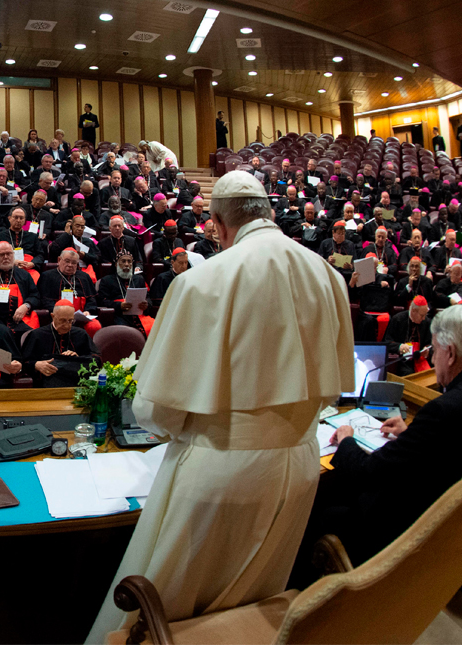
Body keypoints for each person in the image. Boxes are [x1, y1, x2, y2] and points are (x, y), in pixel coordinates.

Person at [87, 170, 353, 637]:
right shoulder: (328, 274)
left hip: (223, 470)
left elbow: (154, 409)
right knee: (259, 599)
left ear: (217, 223)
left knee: (170, 610)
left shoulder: (201, 281)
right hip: (301, 464)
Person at [293, 306, 462, 587]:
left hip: (394, 520)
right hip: (432, 503)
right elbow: (439, 445)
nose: (433, 358)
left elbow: (368, 471)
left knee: (318, 508)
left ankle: (301, 588)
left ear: (449, 353)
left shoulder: (442, 410)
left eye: (434, 350)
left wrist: (347, 439)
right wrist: (411, 433)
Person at [22, 300, 97, 388]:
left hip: (76, 385)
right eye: (63, 320)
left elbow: (95, 359)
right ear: (52, 316)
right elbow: (23, 362)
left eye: (70, 321)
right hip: (44, 387)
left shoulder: (81, 334)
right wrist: (36, 365)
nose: (67, 325)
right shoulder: (37, 335)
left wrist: (78, 359)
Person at [384, 295, 432, 377]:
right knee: (409, 374)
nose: (424, 318)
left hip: (420, 359)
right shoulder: (398, 319)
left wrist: (427, 350)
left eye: (425, 315)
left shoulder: (427, 322)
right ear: (413, 311)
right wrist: (399, 347)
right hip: (403, 359)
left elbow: (431, 343)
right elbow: (386, 342)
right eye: (422, 315)